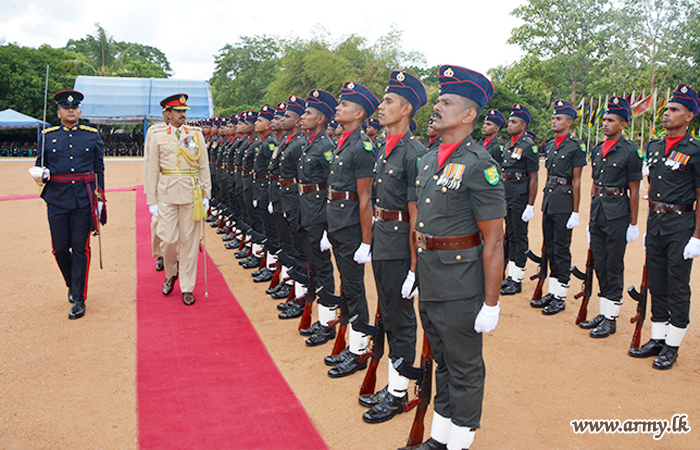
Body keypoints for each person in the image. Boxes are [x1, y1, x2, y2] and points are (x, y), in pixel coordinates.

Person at [399, 65, 504, 450]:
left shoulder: (481, 165)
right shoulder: (427, 161)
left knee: (464, 365)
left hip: (461, 284)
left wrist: (490, 303)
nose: (437, 107)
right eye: (438, 100)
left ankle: (459, 441)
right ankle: (440, 437)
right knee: (441, 359)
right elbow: (419, 225)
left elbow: (493, 241)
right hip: (430, 276)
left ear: (468, 114)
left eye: (446, 101)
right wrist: (414, 270)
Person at [360, 70, 427, 424]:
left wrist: (416, 269)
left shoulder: (414, 152)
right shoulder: (386, 148)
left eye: (388, 102)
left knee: (401, 319)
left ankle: (399, 392)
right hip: (384, 241)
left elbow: (416, 215)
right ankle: (393, 383)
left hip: (401, 246)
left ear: (406, 109)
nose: (381, 107)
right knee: (386, 311)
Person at [629, 84, 700, 370]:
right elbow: (654, 188)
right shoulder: (655, 146)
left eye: (674, 110)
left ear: (689, 117)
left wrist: (697, 235)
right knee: (657, 282)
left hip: (682, 225)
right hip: (657, 222)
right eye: (667, 109)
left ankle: (673, 345)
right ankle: (658, 338)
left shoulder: (695, 150)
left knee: (677, 285)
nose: (667, 114)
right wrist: (649, 224)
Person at [32, 90, 105, 320]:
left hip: (83, 199)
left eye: (74, 107)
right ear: (59, 112)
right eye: (65, 107)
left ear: (80, 111)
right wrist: (39, 176)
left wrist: (100, 198)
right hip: (56, 199)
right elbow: (39, 166)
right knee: (60, 248)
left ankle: (79, 298)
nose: (70, 110)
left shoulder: (91, 135)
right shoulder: (47, 135)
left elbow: (99, 169)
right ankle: (72, 283)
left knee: (81, 248)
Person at [324, 81, 379, 378]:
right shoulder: (343, 141)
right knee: (346, 284)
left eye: (344, 105)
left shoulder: (362, 146)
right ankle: (350, 343)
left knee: (355, 288)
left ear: (358, 113)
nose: (338, 108)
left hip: (350, 228)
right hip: (336, 222)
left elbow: (366, 197)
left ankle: (359, 349)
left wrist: (366, 241)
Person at [579, 97, 641, 338]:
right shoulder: (596, 150)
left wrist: (633, 224)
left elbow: (634, 190)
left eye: (611, 120)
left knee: (614, 266)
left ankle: (611, 318)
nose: (605, 124)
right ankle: (604, 311)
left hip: (618, 214)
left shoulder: (631, 151)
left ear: (623, 124)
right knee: (600, 264)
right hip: (599, 213)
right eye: (604, 119)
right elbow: (594, 185)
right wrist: (590, 219)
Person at [145, 94, 211, 306]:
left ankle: (187, 286)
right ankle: (171, 273)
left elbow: (203, 166)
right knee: (168, 239)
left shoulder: (195, 134)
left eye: (184, 111)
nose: (183, 115)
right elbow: (151, 168)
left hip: (192, 193)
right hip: (166, 194)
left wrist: (207, 195)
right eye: (178, 111)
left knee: (190, 242)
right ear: (167, 114)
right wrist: (151, 199)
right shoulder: (155, 135)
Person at [530, 100, 586, 315]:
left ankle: (560, 296)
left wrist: (575, 211)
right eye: (554, 118)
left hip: (564, 202)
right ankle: (552, 292)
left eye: (559, 118)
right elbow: (548, 177)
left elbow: (577, 180)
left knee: (561, 249)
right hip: (550, 200)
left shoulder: (576, 146)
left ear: (569, 122)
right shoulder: (552, 145)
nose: (554, 121)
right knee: (550, 247)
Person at [298, 89, 339, 345]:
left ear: (321, 119)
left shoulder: (325, 146)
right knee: (314, 262)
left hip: (318, 213)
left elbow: (330, 186)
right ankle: (322, 318)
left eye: (309, 113)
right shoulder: (311, 143)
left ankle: (327, 323)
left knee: (323, 267)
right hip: (307, 209)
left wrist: (327, 225)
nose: (304, 117)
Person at [500, 104, 539, 295]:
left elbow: (534, 176)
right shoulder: (508, 145)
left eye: (514, 122)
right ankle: (511, 276)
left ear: (523, 125)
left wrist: (530, 205)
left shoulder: (528, 146)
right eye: (509, 121)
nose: (510, 124)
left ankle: (518, 279)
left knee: (520, 236)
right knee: (511, 235)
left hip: (520, 195)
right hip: (507, 194)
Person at [144, 110, 170, 272]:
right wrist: (150, 190)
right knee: (158, 222)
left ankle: (179, 257)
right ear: (165, 113)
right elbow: (149, 162)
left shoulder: (188, 132)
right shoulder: (154, 132)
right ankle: (160, 254)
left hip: (181, 184)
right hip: (161, 181)